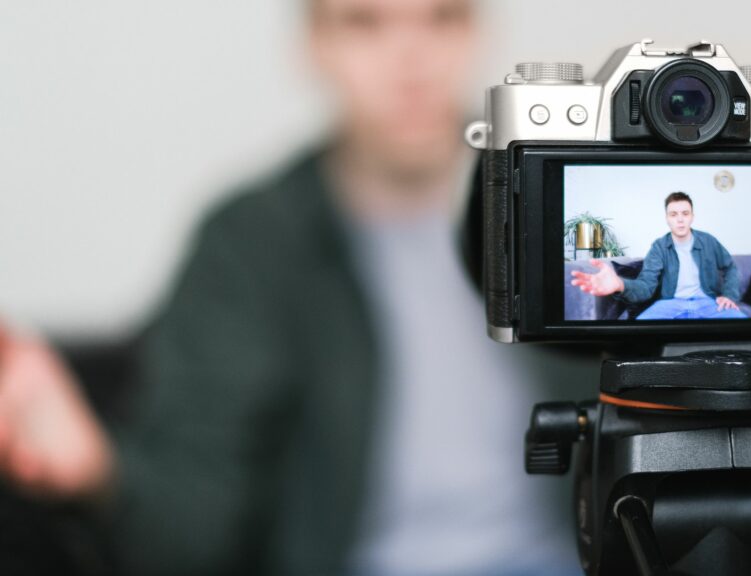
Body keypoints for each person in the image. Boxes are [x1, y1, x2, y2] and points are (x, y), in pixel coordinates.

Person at [0, 0, 595, 574]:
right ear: (314, 45)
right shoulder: (249, 244)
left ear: (478, 30)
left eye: (443, 16)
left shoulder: (572, 207)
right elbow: (195, 529)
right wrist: (96, 469)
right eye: (365, 22)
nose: (411, 57)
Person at [571, 191, 746, 320]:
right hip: (670, 303)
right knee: (639, 328)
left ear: (692, 216)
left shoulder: (708, 241)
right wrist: (620, 284)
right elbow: (646, 287)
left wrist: (729, 295)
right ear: (667, 218)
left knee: (742, 324)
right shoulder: (659, 247)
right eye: (673, 214)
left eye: (685, 214)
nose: (680, 219)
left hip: (708, 302)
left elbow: (730, 267)